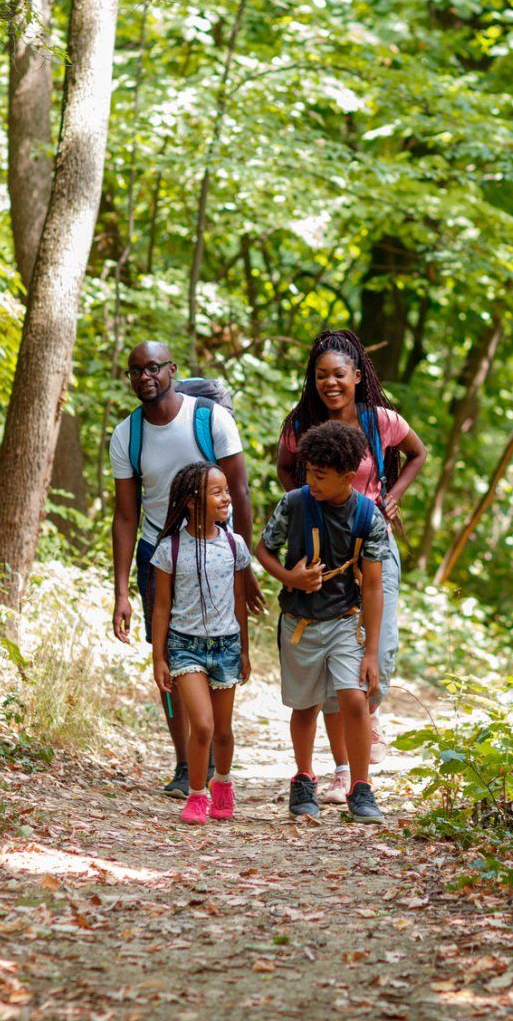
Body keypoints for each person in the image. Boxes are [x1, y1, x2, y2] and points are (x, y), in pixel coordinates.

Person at [276, 328, 426, 803]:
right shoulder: (300, 423)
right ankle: (344, 771)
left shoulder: (381, 420)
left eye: (339, 374)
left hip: (372, 543)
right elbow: (285, 468)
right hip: (323, 549)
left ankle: (368, 714)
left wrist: (392, 498)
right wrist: (302, 502)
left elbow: (418, 453)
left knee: (377, 653)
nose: (330, 383)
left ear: (357, 376)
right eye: (321, 375)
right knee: (331, 657)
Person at [109, 341, 263, 797]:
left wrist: (246, 562)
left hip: (217, 549)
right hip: (161, 551)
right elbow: (125, 516)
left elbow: (240, 490)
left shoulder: (210, 419)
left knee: (220, 643)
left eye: (153, 367)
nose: (144, 377)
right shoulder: (127, 434)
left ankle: (214, 749)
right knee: (170, 653)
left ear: (172, 369)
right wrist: (120, 591)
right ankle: (184, 762)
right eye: (135, 371)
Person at [257, 421, 393, 824]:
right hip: (300, 621)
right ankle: (303, 778)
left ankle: (361, 788)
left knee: (354, 698)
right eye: (308, 472)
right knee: (306, 705)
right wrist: (290, 578)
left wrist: (371, 651)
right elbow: (263, 550)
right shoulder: (294, 503)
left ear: (348, 478)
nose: (311, 481)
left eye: (321, 475)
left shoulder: (369, 518)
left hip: (344, 621)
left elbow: (372, 586)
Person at [149, 461, 251, 824]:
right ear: (193, 501)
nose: (226, 499)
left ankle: (223, 783)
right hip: (184, 646)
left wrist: (244, 649)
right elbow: (161, 607)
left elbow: (239, 600)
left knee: (223, 732)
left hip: (225, 646)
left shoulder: (234, 545)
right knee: (203, 725)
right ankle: (197, 794)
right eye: (217, 492)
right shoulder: (169, 549)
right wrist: (158, 656)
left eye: (227, 491)